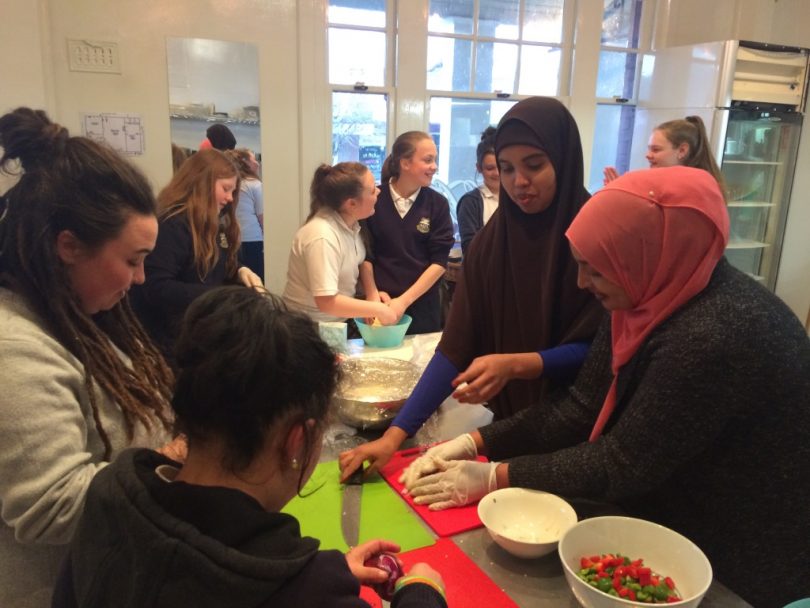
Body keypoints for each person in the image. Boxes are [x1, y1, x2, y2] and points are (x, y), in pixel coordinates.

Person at [399, 166, 810, 608]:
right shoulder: (645, 296)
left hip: (743, 550)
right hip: (676, 516)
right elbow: (579, 406)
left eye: (594, 270)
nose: (581, 283)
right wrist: (473, 441)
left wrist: (495, 475)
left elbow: (622, 463)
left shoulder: (713, 335)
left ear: (646, 255)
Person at [54, 286, 447, 608]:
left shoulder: (108, 497)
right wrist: (421, 593)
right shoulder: (303, 591)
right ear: (296, 440)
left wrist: (320, 575)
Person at [340, 97, 604, 481]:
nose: (518, 182)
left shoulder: (595, 237)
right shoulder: (492, 245)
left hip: (583, 435)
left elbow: (603, 351)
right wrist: (395, 436)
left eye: (535, 166)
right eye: (507, 169)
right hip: (513, 428)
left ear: (563, 161)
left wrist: (517, 364)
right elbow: (456, 346)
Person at [0, 107, 181, 608]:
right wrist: (174, 461)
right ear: (68, 246)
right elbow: (50, 506)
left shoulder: (83, 318)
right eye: (132, 261)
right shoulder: (14, 348)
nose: (141, 279)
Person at [129, 148, 262, 363]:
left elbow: (217, 265)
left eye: (233, 192)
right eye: (226, 189)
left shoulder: (212, 223)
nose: (230, 198)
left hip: (198, 335)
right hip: (169, 342)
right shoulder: (172, 224)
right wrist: (219, 296)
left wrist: (239, 270)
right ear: (203, 183)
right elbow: (156, 286)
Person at [283, 162, 397, 326]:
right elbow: (327, 301)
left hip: (333, 323)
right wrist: (378, 309)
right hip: (308, 327)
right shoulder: (322, 236)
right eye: (372, 190)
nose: (378, 191)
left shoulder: (351, 224)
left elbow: (355, 265)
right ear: (351, 204)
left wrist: (372, 295)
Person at [363, 131, 454, 335]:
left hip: (423, 306)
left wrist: (403, 302)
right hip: (380, 303)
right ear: (405, 163)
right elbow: (365, 254)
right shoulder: (374, 199)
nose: (435, 167)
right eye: (428, 160)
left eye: (435, 160)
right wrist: (372, 296)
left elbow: (439, 262)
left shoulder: (437, 204)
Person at [603, 115, 725, 196]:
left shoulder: (694, 192)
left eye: (656, 150)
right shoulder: (663, 185)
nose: (648, 155)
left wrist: (621, 195)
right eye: (649, 149)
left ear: (682, 151)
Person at [456, 126, 499, 258]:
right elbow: (470, 250)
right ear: (479, 168)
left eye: (502, 166)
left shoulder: (519, 198)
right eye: (490, 168)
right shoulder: (470, 202)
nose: (497, 173)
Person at [226, 148, 265, 278]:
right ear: (245, 162)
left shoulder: (235, 185)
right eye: (253, 159)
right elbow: (262, 218)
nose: (257, 163)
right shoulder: (255, 185)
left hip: (233, 238)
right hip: (253, 239)